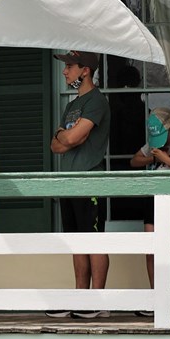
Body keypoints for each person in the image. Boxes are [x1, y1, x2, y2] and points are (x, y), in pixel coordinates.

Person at [46, 50, 112, 319]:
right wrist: (66, 135)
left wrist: (67, 136)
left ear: (85, 70)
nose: (65, 72)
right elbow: (56, 146)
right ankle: (80, 298)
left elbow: (71, 140)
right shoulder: (72, 105)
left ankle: (99, 301)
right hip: (69, 182)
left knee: (94, 240)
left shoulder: (97, 101)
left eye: (70, 67)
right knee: (76, 242)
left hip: (90, 181)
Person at [128, 106, 170, 316]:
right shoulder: (154, 143)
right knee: (151, 247)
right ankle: (156, 298)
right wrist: (153, 158)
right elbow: (134, 160)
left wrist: (167, 160)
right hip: (153, 194)